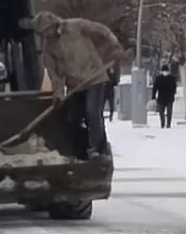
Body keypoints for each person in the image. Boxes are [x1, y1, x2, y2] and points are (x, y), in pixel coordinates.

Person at [26, 11, 122, 156]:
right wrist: (58, 93)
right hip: (74, 85)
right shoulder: (49, 47)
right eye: (42, 33)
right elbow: (54, 74)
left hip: (94, 78)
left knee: (92, 113)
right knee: (72, 117)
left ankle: (98, 149)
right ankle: (78, 151)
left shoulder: (77, 26)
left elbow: (102, 30)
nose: (45, 35)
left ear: (54, 25)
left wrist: (115, 46)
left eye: (46, 31)